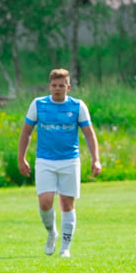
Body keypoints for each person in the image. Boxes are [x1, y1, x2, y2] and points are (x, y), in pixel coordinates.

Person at [17, 68, 101, 258]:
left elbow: (89, 134)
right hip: (45, 160)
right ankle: (51, 233)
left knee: (66, 203)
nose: (57, 89)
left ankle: (65, 247)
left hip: (70, 161)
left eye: (61, 85)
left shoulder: (78, 107)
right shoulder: (38, 105)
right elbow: (26, 132)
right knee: (45, 201)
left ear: (68, 87)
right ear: (49, 86)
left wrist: (96, 159)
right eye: (54, 85)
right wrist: (21, 158)